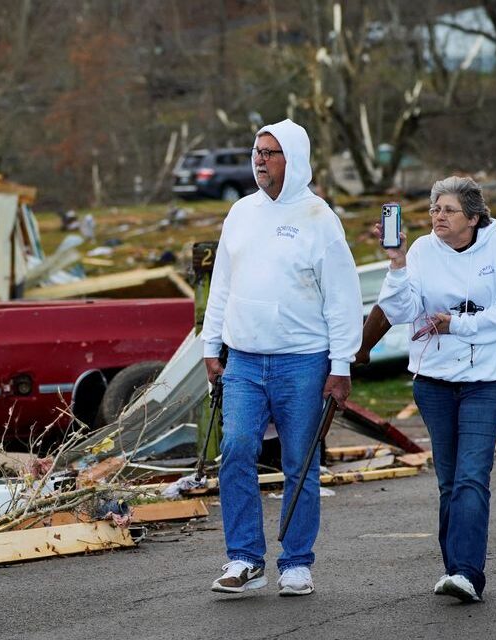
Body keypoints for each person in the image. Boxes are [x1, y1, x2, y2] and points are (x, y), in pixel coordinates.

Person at [201, 119, 362, 597]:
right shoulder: (240, 213)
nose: (259, 160)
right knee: (235, 450)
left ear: (293, 159)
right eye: (256, 151)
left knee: (300, 462)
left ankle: (296, 562)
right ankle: (245, 559)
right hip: (245, 361)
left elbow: (343, 299)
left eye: (270, 152)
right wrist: (212, 347)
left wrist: (341, 365)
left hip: (303, 361)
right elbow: (222, 285)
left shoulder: (319, 218)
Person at [374, 176, 496, 603]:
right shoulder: (422, 250)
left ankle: (467, 573)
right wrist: (397, 262)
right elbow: (402, 310)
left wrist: (459, 324)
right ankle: (454, 569)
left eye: (448, 210)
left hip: (487, 382)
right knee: (449, 481)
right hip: (435, 383)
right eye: (434, 209)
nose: (438, 216)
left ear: (474, 218)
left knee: (472, 477)